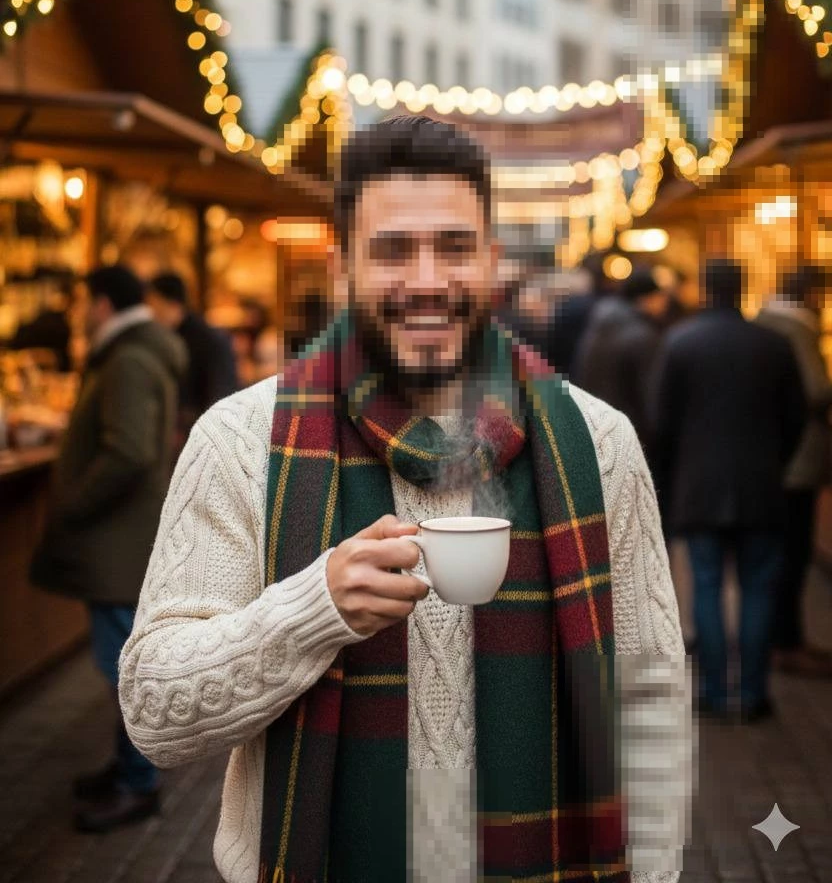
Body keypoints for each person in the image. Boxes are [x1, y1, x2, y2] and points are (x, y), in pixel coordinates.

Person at [120, 116, 689, 883]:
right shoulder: (241, 438)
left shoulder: (598, 444)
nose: (427, 279)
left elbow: (651, 694)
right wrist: (310, 611)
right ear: (341, 268)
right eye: (392, 250)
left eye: (455, 247)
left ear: (491, 262)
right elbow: (155, 718)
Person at [30, 265, 186, 831]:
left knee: (125, 666)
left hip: (117, 540)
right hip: (123, 537)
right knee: (122, 660)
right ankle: (126, 767)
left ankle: (137, 782)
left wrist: (72, 501)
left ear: (100, 305)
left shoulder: (128, 359)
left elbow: (128, 453)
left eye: (81, 303)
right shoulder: (138, 352)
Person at [653, 259, 807, 722]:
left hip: (698, 488)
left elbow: (661, 423)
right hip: (762, 487)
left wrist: (674, 473)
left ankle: (718, 694)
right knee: (759, 590)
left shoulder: (680, 343)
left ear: (704, 287)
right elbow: (795, 419)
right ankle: (756, 694)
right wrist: (773, 462)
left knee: (706, 587)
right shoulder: (774, 345)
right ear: (741, 289)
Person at [757, 265, 832, 676]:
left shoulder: (766, 321)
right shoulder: (798, 328)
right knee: (793, 553)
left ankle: (775, 638)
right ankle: (786, 641)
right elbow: (816, 390)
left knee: (776, 553)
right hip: (798, 460)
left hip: (774, 456)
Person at [573, 267, 670, 452]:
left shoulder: (599, 324)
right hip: (629, 434)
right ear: (645, 297)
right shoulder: (642, 336)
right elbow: (651, 398)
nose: (664, 303)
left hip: (598, 426)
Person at [146, 272, 239, 446]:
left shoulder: (207, 339)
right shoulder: (170, 338)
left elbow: (220, 393)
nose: (151, 315)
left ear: (172, 304)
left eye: (154, 307)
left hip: (201, 436)